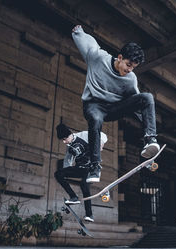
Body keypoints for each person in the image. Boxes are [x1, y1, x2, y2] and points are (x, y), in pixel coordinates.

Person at [72, 25, 160, 183]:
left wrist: (146, 123)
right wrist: (79, 32)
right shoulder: (97, 58)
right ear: (119, 57)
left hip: (113, 109)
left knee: (146, 97)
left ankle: (150, 140)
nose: (129, 70)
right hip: (93, 105)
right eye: (128, 65)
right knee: (96, 119)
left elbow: (137, 104)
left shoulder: (131, 78)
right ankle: (94, 166)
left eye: (133, 67)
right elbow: (89, 43)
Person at [54, 123, 107, 222]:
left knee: (84, 186)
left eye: (65, 139)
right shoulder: (69, 147)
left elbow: (103, 135)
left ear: (69, 135)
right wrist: (65, 174)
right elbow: (67, 162)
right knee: (58, 173)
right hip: (79, 168)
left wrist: (100, 143)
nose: (64, 142)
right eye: (63, 140)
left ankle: (89, 215)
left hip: (91, 167)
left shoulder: (83, 135)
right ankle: (73, 197)